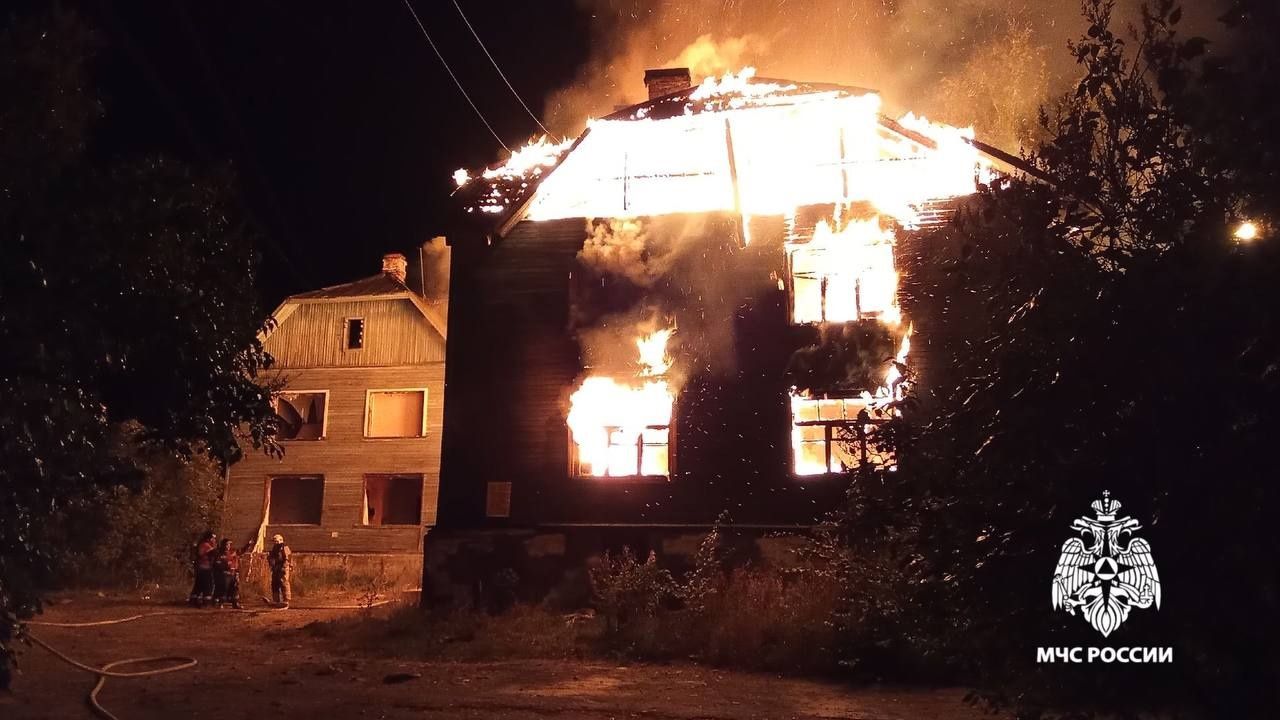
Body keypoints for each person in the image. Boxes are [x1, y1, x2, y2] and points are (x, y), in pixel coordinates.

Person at [212, 538, 251, 609]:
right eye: (227, 544)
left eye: (229, 544)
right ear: (223, 545)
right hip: (224, 574)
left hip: (233, 573)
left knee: (235, 589)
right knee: (223, 589)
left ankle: (235, 603)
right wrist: (226, 566)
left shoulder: (233, 552)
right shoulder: (219, 553)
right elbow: (217, 564)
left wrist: (248, 545)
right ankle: (220, 603)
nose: (228, 546)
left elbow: (241, 551)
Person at [189, 530, 217, 607]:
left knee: (199, 585)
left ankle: (194, 600)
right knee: (208, 585)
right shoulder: (205, 545)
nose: (214, 539)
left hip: (203, 568)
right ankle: (205, 602)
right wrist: (214, 547)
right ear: (208, 538)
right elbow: (212, 554)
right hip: (204, 568)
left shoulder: (205, 545)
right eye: (212, 538)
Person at [267, 534, 292, 607]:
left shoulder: (285, 547)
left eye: (276, 541)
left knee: (283, 582)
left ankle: (286, 600)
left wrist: (284, 567)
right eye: (274, 541)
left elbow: (287, 558)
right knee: (274, 583)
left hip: (282, 568)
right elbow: (272, 558)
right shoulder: (275, 548)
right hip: (276, 568)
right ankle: (276, 600)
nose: (275, 543)